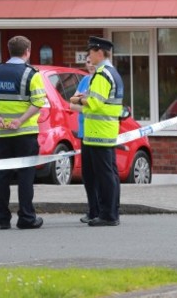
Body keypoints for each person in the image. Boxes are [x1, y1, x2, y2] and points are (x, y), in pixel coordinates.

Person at [0, 35, 47, 230]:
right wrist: (21, 120)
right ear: (27, 51)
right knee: (26, 176)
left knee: (1, 178)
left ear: (9, 51)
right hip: (25, 133)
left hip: (2, 135)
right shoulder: (32, 74)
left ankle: (2, 219)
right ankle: (26, 217)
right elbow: (39, 102)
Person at [70, 36, 124, 226]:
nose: (89, 56)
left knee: (104, 175)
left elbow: (95, 103)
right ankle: (112, 211)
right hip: (106, 131)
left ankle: (108, 215)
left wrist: (78, 100)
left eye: (91, 52)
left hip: (98, 132)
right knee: (110, 173)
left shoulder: (102, 75)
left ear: (99, 52)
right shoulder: (112, 72)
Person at [69, 57, 97, 223]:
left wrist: (82, 103)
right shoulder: (84, 80)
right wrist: (86, 105)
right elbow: (71, 105)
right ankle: (92, 210)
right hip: (84, 132)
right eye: (88, 62)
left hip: (98, 133)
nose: (91, 64)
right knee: (88, 175)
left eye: (93, 61)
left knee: (99, 174)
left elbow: (98, 105)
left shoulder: (101, 80)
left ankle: (103, 209)